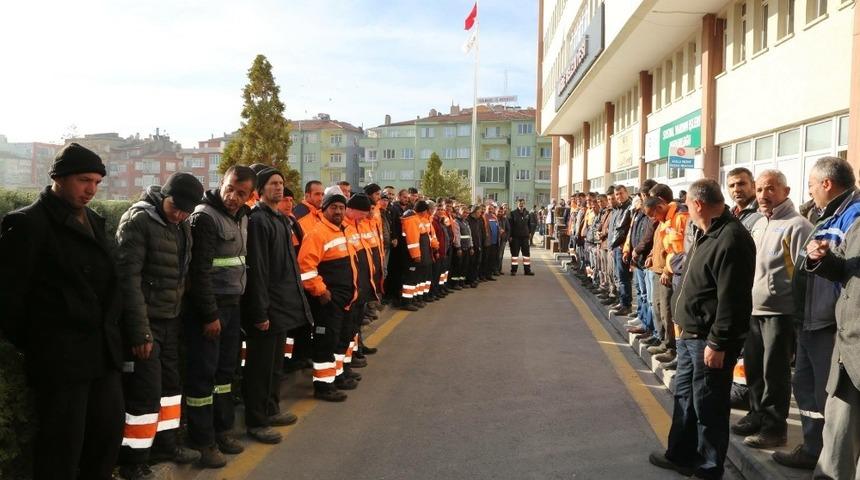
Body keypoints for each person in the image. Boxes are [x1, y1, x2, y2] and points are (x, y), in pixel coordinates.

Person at [0, 143, 124, 480]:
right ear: (58, 177)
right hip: (62, 359)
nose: (91, 190)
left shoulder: (95, 221)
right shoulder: (28, 223)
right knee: (61, 450)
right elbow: (9, 299)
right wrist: (43, 341)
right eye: (84, 180)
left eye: (97, 182)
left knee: (106, 438)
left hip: (102, 353)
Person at [649, 179, 755, 480]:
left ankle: (709, 467)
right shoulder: (707, 231)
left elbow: (733, 299)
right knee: (685, 398)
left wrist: (719, 343)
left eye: (689, 208)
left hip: (708, 340)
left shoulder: (731, 238)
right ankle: (681, 454)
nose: (687, 213)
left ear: (697, 204)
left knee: (709, 405)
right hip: (690, 336)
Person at [115, 172, 204, 479]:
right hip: (147, 323)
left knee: (170, 390)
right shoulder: (138, 220)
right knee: (145, 393)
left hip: (171, 319)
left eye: (186, 210)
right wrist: (140, 332)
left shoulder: (182, 226)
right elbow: (128, 282)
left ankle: (167, 444)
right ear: (163, 196)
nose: (179, 214)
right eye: (175, 207)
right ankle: (132, 461)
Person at [775, 156, 860, 470]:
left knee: (836, 403)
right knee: (808, 391)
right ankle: (814, 449)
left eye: (811, 185)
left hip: (833, 327)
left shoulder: (853, 216)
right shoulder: (827, 216)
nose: (809, 192)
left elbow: (850, 274)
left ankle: (829, 456)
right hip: (811, 321)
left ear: (827, 183)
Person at [731, 170, 811, 450]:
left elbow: (804, 276)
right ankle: (756, 415)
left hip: (780, 314)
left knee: (774, 375)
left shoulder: (797, 225)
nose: (764, 195)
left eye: (771, 189)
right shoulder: (760, 224)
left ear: (785, 192)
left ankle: (775, 429)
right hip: (755, 310)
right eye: (761, 189)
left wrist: (798, 316)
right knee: (754, 370)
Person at [183, 165, 255, 468]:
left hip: (231, 306)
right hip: (209, 312)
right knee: (203, 376)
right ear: (220, 183)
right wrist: (209, 314)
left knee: (225, 374)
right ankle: (203, 442)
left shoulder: (242, 217)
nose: (233, 197)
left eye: (241, 193)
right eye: (230, 189)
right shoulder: (205, 218)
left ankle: (222, 429)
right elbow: (199, 273)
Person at [242, 168, 313, 445]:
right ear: (260, 190)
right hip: (267, 309)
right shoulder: (259, 220)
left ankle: (271, 410)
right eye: (273, 184)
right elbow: (258, 270)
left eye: (281, 184)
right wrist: (260, 312)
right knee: (259, 369)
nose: (279, 188)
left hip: (282, 308)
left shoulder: (281, 219)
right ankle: (256, 421)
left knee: (274, 366)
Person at [804, 167, 860, 479]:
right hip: (850, 350)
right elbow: (844, 268)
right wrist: (820, 258)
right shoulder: (857, 223)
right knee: (837, 445)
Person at [297, 191, 357, 402]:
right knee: (326, 343)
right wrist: (321, 292)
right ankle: (323, 387)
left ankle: (337, 377)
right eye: (334, 207)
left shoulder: (343, 231)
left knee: (339, 339)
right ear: (325, 209)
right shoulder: (317, 233)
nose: (338, 211)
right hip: (327, 301)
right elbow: (305, 268)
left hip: (344, 299)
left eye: (341, 207)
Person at [608, 185, 633, 316]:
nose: (619, 196)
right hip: (616, 247)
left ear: (627, 193)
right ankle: (622, 301)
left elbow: (627, 230)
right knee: (619, 276)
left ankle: (626, 305)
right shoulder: (618, 209)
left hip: (623, 247)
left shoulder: (630, 208)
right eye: (617, 194)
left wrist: (624, 245)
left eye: (621, 193)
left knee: (624, 278)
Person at [727, 167, 763, 231]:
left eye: (741, 184)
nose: (736, 189)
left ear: (754, 185)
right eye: (732, 186)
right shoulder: (728, 214)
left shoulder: (764, 211)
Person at [509, 198, 534, 276]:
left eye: (522, 203)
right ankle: (513, 270)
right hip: (515, 237)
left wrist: (530, 233)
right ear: (517, 204)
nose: (521, 204)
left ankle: (527, 270)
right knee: (515, 255)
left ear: (524, 204)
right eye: (520, 203)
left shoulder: (527, 213)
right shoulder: (513, 213)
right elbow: (510, 226)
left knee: (526, 255)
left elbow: (529, 225)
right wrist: (510, 236)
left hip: (525, 238)